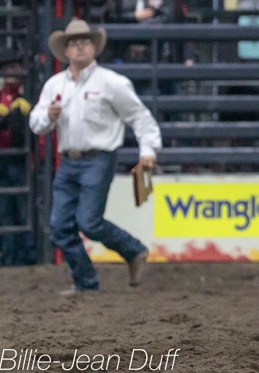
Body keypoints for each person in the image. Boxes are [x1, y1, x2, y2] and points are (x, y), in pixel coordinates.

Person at [28, 20, 161, 294]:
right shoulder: (55, 85)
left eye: (84, 42)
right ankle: (89, 281)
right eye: (74, 43)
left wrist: (148, 151)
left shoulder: (112, 83)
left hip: (99, 157)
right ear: (65, 51)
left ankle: (130, 252)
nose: (79, 47)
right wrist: (47, 117)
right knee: (59, 226)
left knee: (87, 221)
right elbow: (36, 122)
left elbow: (139, 117)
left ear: (93, 48)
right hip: (70, 160)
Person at [0, 48, 34, 266]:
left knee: (23, 209)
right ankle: (9, 255)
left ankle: (27, 256)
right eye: (8, 67)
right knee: (4, 209)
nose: (13, 70)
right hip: (4, 158)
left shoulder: (27, 94)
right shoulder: (8, 96)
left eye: (16, 66)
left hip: (18, 159)